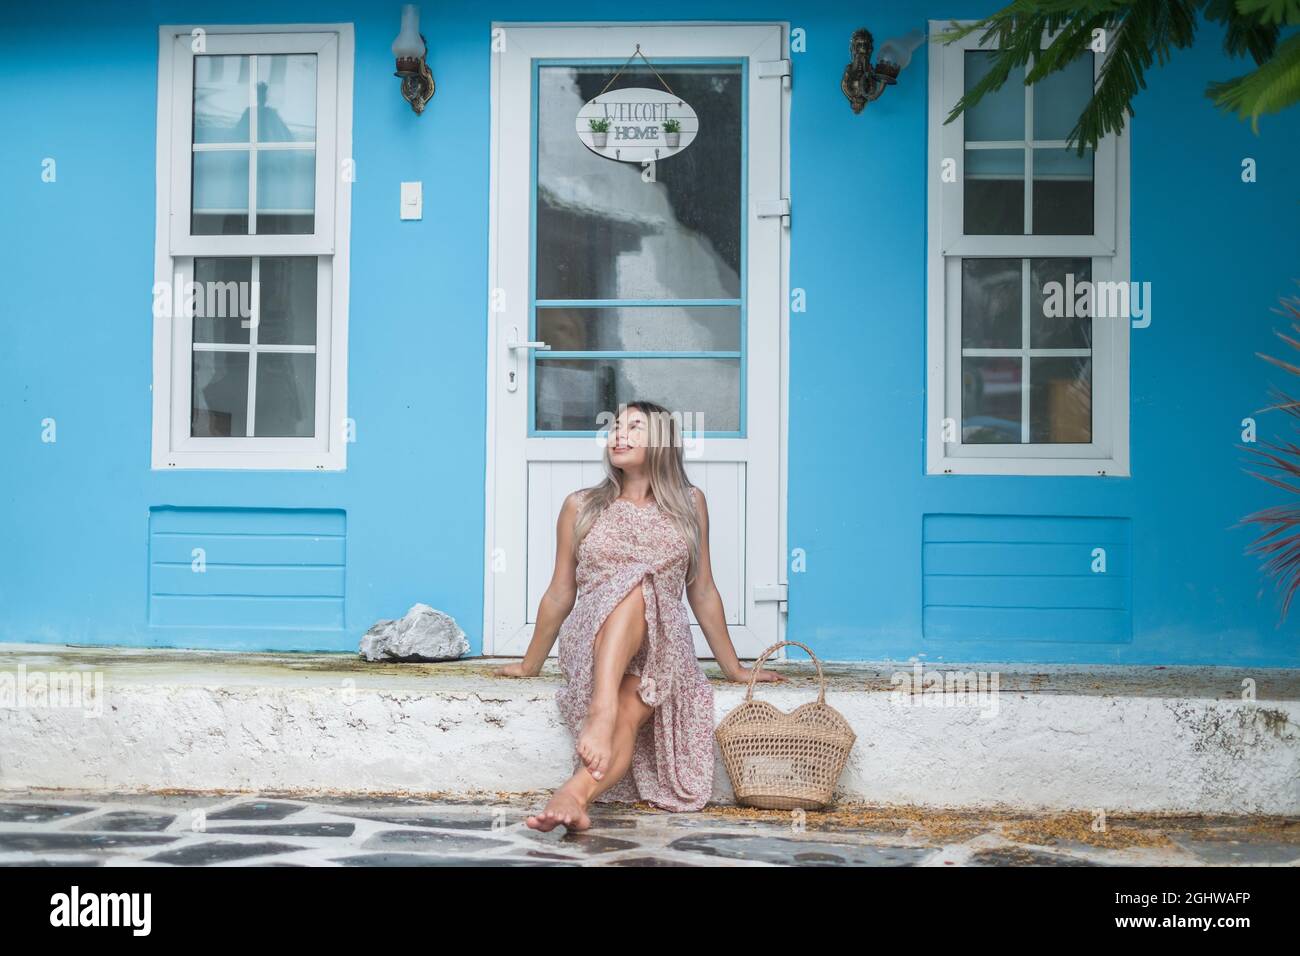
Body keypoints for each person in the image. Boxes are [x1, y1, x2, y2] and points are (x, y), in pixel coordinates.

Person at [494, 400, 784, 831]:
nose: (618, 433)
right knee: (635, 585)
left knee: (631, 711)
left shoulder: (689, 503)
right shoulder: (582, 505)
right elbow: (560, 592)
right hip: (593, 637)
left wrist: (735, 668)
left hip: (662, 649)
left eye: (634, 427)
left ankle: (574, 795)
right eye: (614, 426)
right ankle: (602, 705)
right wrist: (530, 662)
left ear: (663, 441)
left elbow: (701, 590)